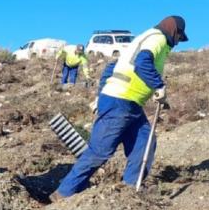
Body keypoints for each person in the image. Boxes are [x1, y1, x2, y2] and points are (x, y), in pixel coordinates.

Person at [52, 16, 188, 200]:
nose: (179, 43)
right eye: (180, 38)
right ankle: (63, 193)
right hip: (119, 101)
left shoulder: (143, 39)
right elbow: (142, 63)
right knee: (100, 151)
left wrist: (101, 95)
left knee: (145, 143)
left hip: (131, 105)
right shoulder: (158, 38)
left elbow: (112, 68)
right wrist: (158, 86)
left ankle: (130, 191)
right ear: (174, 31)